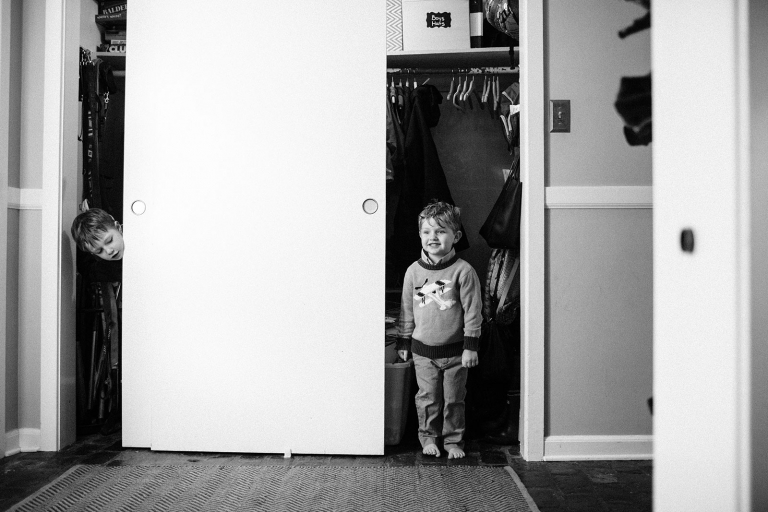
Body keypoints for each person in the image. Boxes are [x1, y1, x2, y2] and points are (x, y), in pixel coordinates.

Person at [396, 201, 482, 459]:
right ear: (420, 235)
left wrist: (471, 347)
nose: (433, 237)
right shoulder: (413, 272)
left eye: (441, 231)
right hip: (423, 351)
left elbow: (473, 312)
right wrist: (403, 343)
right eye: (427, 231)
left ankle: (454, 440)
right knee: (428, 398)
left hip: (456, 352)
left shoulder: (463, 272)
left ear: (455, 236)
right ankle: (428, 437)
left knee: (454, 399)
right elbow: (406, 311)